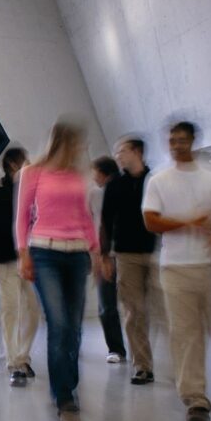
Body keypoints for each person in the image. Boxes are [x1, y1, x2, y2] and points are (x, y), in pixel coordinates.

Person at [142, 122, 211, 421]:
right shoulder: (159, 180)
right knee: (186, 333)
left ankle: (194, 383)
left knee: (206, 329)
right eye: (172, 140)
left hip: (206, 266)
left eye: (182, 140)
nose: (176, 145)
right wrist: (188, 223)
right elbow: (151, 221)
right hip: (174, 268)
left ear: (193, 141)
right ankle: (196, 399)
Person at [16, 119, 99, 421]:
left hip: (77, 254)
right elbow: (22, 217)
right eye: (76, 142)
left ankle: (69, 386)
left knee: (74, 327)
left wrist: (97, 252)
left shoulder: (79, 176)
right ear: (62, 142)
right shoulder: (33, 172)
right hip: (44, 252)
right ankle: (63, 397)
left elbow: (86, 216)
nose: (80, 148)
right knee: (59, 323)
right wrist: (24, 254)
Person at [102, 137, 161, 385]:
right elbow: (105, 221)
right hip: (126, 255)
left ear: (137, 152)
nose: (118, 156)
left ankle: (175, 364)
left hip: (157, 253)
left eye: (122, 151)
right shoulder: (115, 184)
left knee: (161, 310)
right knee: (134, 311)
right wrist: (105, 255)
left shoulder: (155, 180)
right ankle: (143, 366)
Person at [0, 146, 39, 386]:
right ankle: (14, 362)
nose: (30, 165)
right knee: (10, 310)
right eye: (26, 161)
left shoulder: (32, 188)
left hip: (28, 259)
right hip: (4, 259)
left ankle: (22, 356)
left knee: (33, 311)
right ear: (14, 165)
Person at [90, 156, 129, 365]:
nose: (93, 177)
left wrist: (101, 255)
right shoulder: (100, 193)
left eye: (95, 172)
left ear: (102, 172)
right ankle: (117, 348)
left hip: (113, 254)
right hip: (110, 253)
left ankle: (117, 349)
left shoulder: (101, 194)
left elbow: (101, 225)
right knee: (109, 305)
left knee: (108, 305)